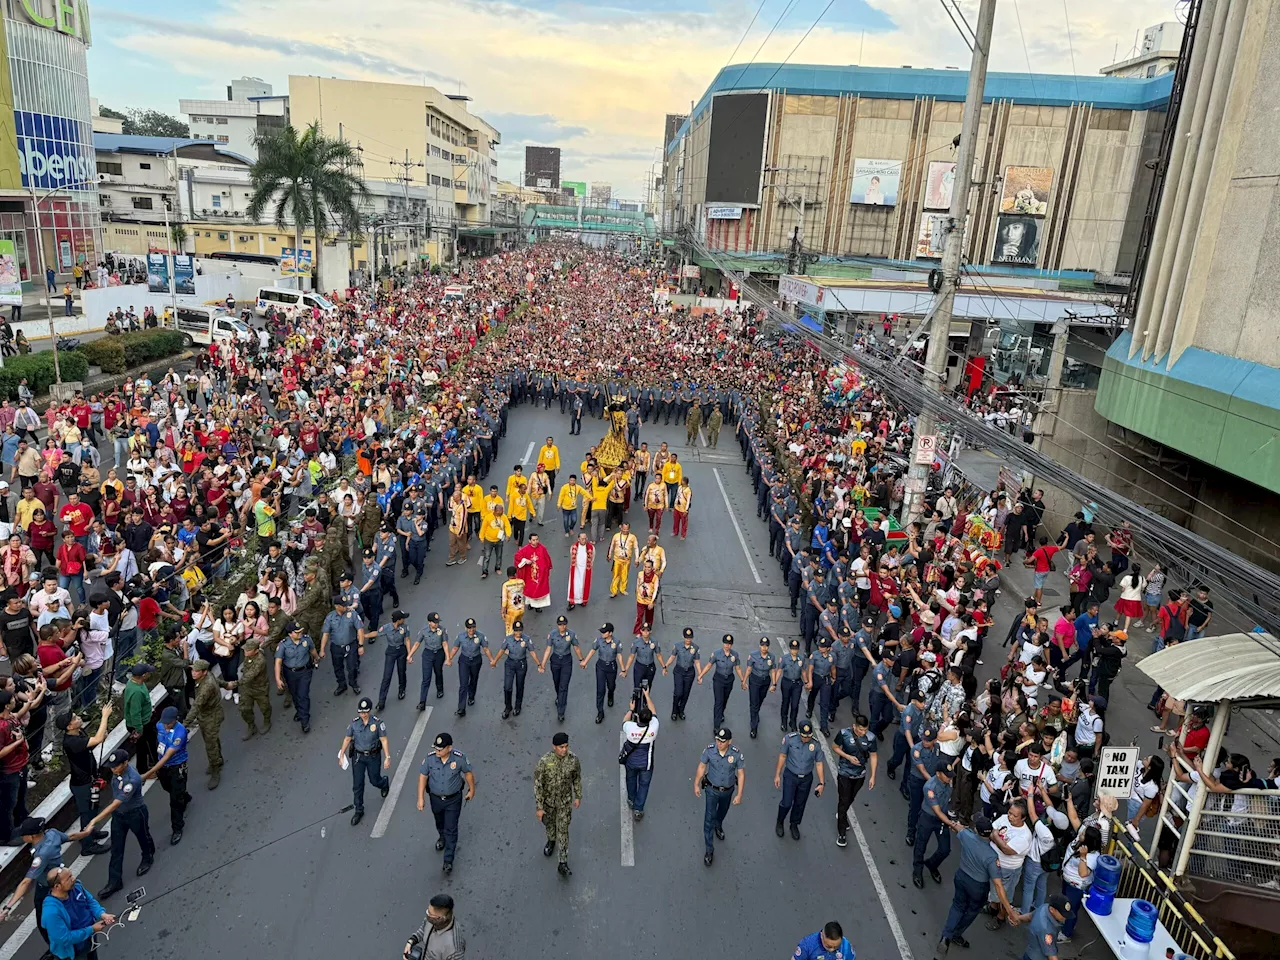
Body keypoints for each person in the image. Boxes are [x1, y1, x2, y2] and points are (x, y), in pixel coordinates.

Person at [0, 817, 99, 945]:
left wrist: (7, 907)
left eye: (23, 835)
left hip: (49, 888)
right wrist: (86, 833)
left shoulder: (42, 855)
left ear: (32, 836)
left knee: (45, 920)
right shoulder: (52, 833)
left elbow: (26, 882)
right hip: (61, 880)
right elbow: (71, 836)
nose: (22, 837)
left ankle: (57, 946)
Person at [936, 815, 1020, 956]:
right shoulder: (991, 856)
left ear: (976, 829)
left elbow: (957, 827)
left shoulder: (966, 836)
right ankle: (956, 934)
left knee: (957, 906)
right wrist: (1009, 910)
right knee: (972, 911)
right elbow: (998, 886)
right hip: (978, 887)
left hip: (962, 877)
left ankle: (946, 936)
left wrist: (955, 824)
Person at [85, 748, 155, 900]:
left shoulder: (132, 779)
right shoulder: (116, 772)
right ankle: (114, 881)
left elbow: (116, 802)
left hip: (135, 813)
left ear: (125, 763)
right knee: (116, 849)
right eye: (111, 766)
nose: (113, 769)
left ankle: (148, 856)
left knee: (143, 837)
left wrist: (95, 820)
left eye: (116, 766)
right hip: (118, 816)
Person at [417, 732, 476, 876]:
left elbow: (468, 773)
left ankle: (448, 860)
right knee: (439, 821)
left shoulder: (459, 758)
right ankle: (441, 836)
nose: (437, 751)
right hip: (435, 798)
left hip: (453, 800)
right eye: (436, 749)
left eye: (440, 749)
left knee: (451, 828)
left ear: (449, 748)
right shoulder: (430, 759)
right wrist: (420, 798)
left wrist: (471, 790)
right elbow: (423, 776)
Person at [139, 706, 192, 845]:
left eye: (168, 723)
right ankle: (184, 796)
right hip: (163, 768)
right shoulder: (160, 725)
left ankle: (177, 828)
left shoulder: (179, 734)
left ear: (175, 720)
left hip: (176, 766)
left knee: (174, 801)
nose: (165, 725)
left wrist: (147, 774)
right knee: (167, 788)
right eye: (164, 722)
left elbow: (167, 757)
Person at [533, 731, 583, 877]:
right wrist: (539, 807)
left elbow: (577, 778)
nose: (564, 750)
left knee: (563, 831)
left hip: (564, 803)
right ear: (554, 747)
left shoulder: (573, 760)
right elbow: (538, 785)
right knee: (550, 826)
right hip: (548, 803)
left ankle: (563, 862)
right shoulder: (544, 761)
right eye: (561, 747)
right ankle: (551, 840)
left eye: (566, 746)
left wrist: (578, 795)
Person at [39, 867, 115, 960]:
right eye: (69, 878)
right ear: (57, 886)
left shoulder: (76, 886)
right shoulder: (51, 912)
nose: (73, 878)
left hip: (89, 940)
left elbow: (90, 901)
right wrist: (91, 929)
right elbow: (64, 938)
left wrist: (102, 914)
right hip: (73, 953)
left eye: (71, 875)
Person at [694, 727, 745, 866]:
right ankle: (709, 850)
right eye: (718, 740)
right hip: (712, 790)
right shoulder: (710, 750)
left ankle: (719, 825)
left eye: (723, 741)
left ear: (729, 741)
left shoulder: (735, 754)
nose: (719, 743)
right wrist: (696, 783)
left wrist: (739, 794)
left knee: (722, 812)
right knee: (708, 819)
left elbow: (740, 774)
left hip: (728, 791)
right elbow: (702, 767)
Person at [340, 696, 390, 827]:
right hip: (358, 757)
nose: (363, 714)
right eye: (361, 712)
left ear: (369, 711)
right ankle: (358, 809)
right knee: (357, 784)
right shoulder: (354, 723)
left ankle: (384, 783)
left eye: (365, 712)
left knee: (374, 780)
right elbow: (347, 738)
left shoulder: (377, 723)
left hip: (373, 756)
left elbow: (383, 740)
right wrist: (341, 754)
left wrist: (387, 757)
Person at [774, 719, 826, 840]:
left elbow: (819, 763)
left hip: (806, 778)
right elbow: (782, 756)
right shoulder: (789, 739)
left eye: (808, 737)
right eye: (803, 736)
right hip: (791, 776)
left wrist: (821, 783)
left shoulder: (816, 745)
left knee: (800, 803)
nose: (806, 739)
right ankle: (780, 821)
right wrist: (777, 774)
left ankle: (794, 824)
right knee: (786, 802)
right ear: (799, 732)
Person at [832, 712, 878, 847]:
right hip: (844, 773)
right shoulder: (844, 734)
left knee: (851, 798)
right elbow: (835, 747)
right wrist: (847, 757)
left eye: (865, 729)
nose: (863, 732)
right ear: (854, 726)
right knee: (843, 800)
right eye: (860, 729)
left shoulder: (871, 738)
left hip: (860, 775)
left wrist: (873, 776)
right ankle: (841, 833)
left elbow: (874, 756)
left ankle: (842, 813)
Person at [913, 759, 958, 888]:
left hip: (942, 819)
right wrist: (951, 824)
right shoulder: (930, 787)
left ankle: (932, 864)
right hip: (928, 818)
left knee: (945, 849)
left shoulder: (948, 782)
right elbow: (937, 811)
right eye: (947, 775)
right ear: (938, 774)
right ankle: (917, 871)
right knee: (920, 846)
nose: (950, 778)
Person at [185, 659, 228, 788]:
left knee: (210, 744)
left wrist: (185, 723)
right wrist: (226, 685)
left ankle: (216, 770)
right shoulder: (207, 676)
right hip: (206, 715)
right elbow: (218, 681)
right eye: (193, 670)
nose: (193, 673)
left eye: (196, 671)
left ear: (204, 672)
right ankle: (218, 759)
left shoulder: (206, 686)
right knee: (212, 740)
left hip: (211, 716)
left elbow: (197, 705)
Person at [621, 685, 659, 819]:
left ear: (638, 719)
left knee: (630, 780)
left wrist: (630, 709)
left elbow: (624, 722)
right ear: (649, 720)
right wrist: (647, 695)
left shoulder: (630, 728)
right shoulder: (653, 728)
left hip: (631, 762)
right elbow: (654, 712)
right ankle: (638, 808)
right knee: (644, 786)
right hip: (646, 764)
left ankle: (631, 799)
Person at [275, 622, 317, 733]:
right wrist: (278, 679)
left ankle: (305, 720)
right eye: (297, 632)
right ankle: (299, 711)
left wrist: (316, 658)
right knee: (294, 694)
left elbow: (312, 650)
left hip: (305, 671)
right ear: (290, 634)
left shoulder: (306, 640)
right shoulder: (283, 644)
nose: (300, 633)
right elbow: (278, 662)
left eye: (300, 631)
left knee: (303, 695)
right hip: (290, 673)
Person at [402, 892, 466, 960]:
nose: (427, 915)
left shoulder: (454, 948)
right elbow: (423, 929)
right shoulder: (432, 920)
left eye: (430, 914)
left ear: (441, 918)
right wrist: (411, 941)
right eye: (428, 911)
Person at [580, 621, 621, 724]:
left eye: (604, 632)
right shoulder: (599, 640)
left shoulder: (616, 642)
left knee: (611, 686)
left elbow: (619, 656)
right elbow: (593, 650)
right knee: (600, 690)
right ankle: (600, 712)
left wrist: (623, 669)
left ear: (610, 633)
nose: (602, 634)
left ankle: (610, 694)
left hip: (611, 667)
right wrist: (585, 661)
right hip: (601, 667)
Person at [492, 618, 534, 719]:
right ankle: (508, 707)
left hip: (521, 664)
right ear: (513, 630)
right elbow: (502, 650)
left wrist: (539, 664)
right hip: (510, 663)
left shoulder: (526, 639)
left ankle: (518, 706)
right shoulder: (508, 639)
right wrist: (494, 661)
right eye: (516, 630)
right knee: (507, 686)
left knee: (520, 686)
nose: (518, 632)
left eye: (519, 630)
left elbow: (532, 652)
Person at [699, 632, 741, 732]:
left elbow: (738, 668)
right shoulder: (716, 654)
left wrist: (743, 680)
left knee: (725, 700)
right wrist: (700, 675)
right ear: (723, 643)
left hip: (729, 680)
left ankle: (721, 713)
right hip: (718, 679)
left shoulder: (735, 655)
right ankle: (716, 726)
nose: (728, 645)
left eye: (730, 644)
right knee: (719, 701)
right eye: (726, 643)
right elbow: (709, 665)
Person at [450, 617, 488, 718]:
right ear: (466, 628)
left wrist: (492, 660)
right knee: (463, 684)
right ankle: (461, 708)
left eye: (473, 627)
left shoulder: (480, 636)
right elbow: (455, 648)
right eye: (469, 628)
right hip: (464, 661)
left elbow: (485, 649)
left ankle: (471, 696)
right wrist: (449, 659)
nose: (471, 630)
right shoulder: (461, 636)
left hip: (476, 661)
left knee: (473, 680)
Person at [413, 612, 451, 709]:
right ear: (429, 622)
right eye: (434, 622)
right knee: (426, 678)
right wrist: (410, 655)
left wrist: (448, 658)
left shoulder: (442, 630)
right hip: (428, 654)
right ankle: (422, 701)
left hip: (439, 654)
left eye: (437, 622)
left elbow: (445, 644)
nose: (436, 624)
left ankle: (440, 689)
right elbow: (417, 643)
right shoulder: (424, 631)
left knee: (438, 672)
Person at [376, 609, 411, 711]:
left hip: (401, 651)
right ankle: (381, 701)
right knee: (387, 676)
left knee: (401, 672)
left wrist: (409, 654)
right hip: (391, 651)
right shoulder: (387, 628)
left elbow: (407, 640)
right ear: (398, 620)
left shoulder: (405, 628)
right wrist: (364, 636)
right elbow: (376, 633)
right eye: (403, 618)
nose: (404, 620)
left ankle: (402, 689)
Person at [744, 635, 778, 738]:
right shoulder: (753, 655)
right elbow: (749, 669)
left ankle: (755, 713)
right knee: (754, 703)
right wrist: (744, 681)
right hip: (754, 680)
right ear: (759, 646)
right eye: (763, 646)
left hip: (765, 682)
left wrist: (774, 683)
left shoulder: (771, 657)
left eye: (766, 646)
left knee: (760, 700)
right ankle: (754, 727)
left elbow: (772, 670)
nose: (764, 648)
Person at [236, 638, 272, 738]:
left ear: (256, 651)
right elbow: (247, 667)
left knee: (265, 707)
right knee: (244, 709)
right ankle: (251, 726)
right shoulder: (248, 655)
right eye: (245, 649)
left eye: (248, 650)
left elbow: (250, 675)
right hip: (247, 688)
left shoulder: (260, 660)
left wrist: (234, 684)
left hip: (260, 688)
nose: (245, 651)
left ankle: (267, 721)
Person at [1020, 893, 1071, 960]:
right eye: (1062, 914)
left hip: (1031, 952)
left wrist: (1018, 918)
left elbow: (1030, 916)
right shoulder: (1046, 929)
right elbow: (1051, 956)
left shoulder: (1044, 907)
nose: (1065, 917)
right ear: (1052, 910)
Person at [779, 637, 806, 733]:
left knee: (795, 704)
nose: (794, 651)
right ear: (790, 649)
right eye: (793, 649)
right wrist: (774, 683)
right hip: (786, 682)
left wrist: (806, 682)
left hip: (797, 684)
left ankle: (793, 722)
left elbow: (803, 671)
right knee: (785, 702)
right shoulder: (784, 658)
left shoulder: (801, 659)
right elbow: (779, 670)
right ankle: (784, 721)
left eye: (796, 649)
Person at [566, 531, 593, 608]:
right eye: (582, 539)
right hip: (576, 570)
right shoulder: (574, 547)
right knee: (574, 585)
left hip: (585, 570)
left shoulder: (590, 548)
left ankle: (582, 600)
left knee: (583, 585)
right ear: (578, 539)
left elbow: (592, 558)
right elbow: (572, 557)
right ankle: (572, 602)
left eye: (585, 538)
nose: (584, 540)